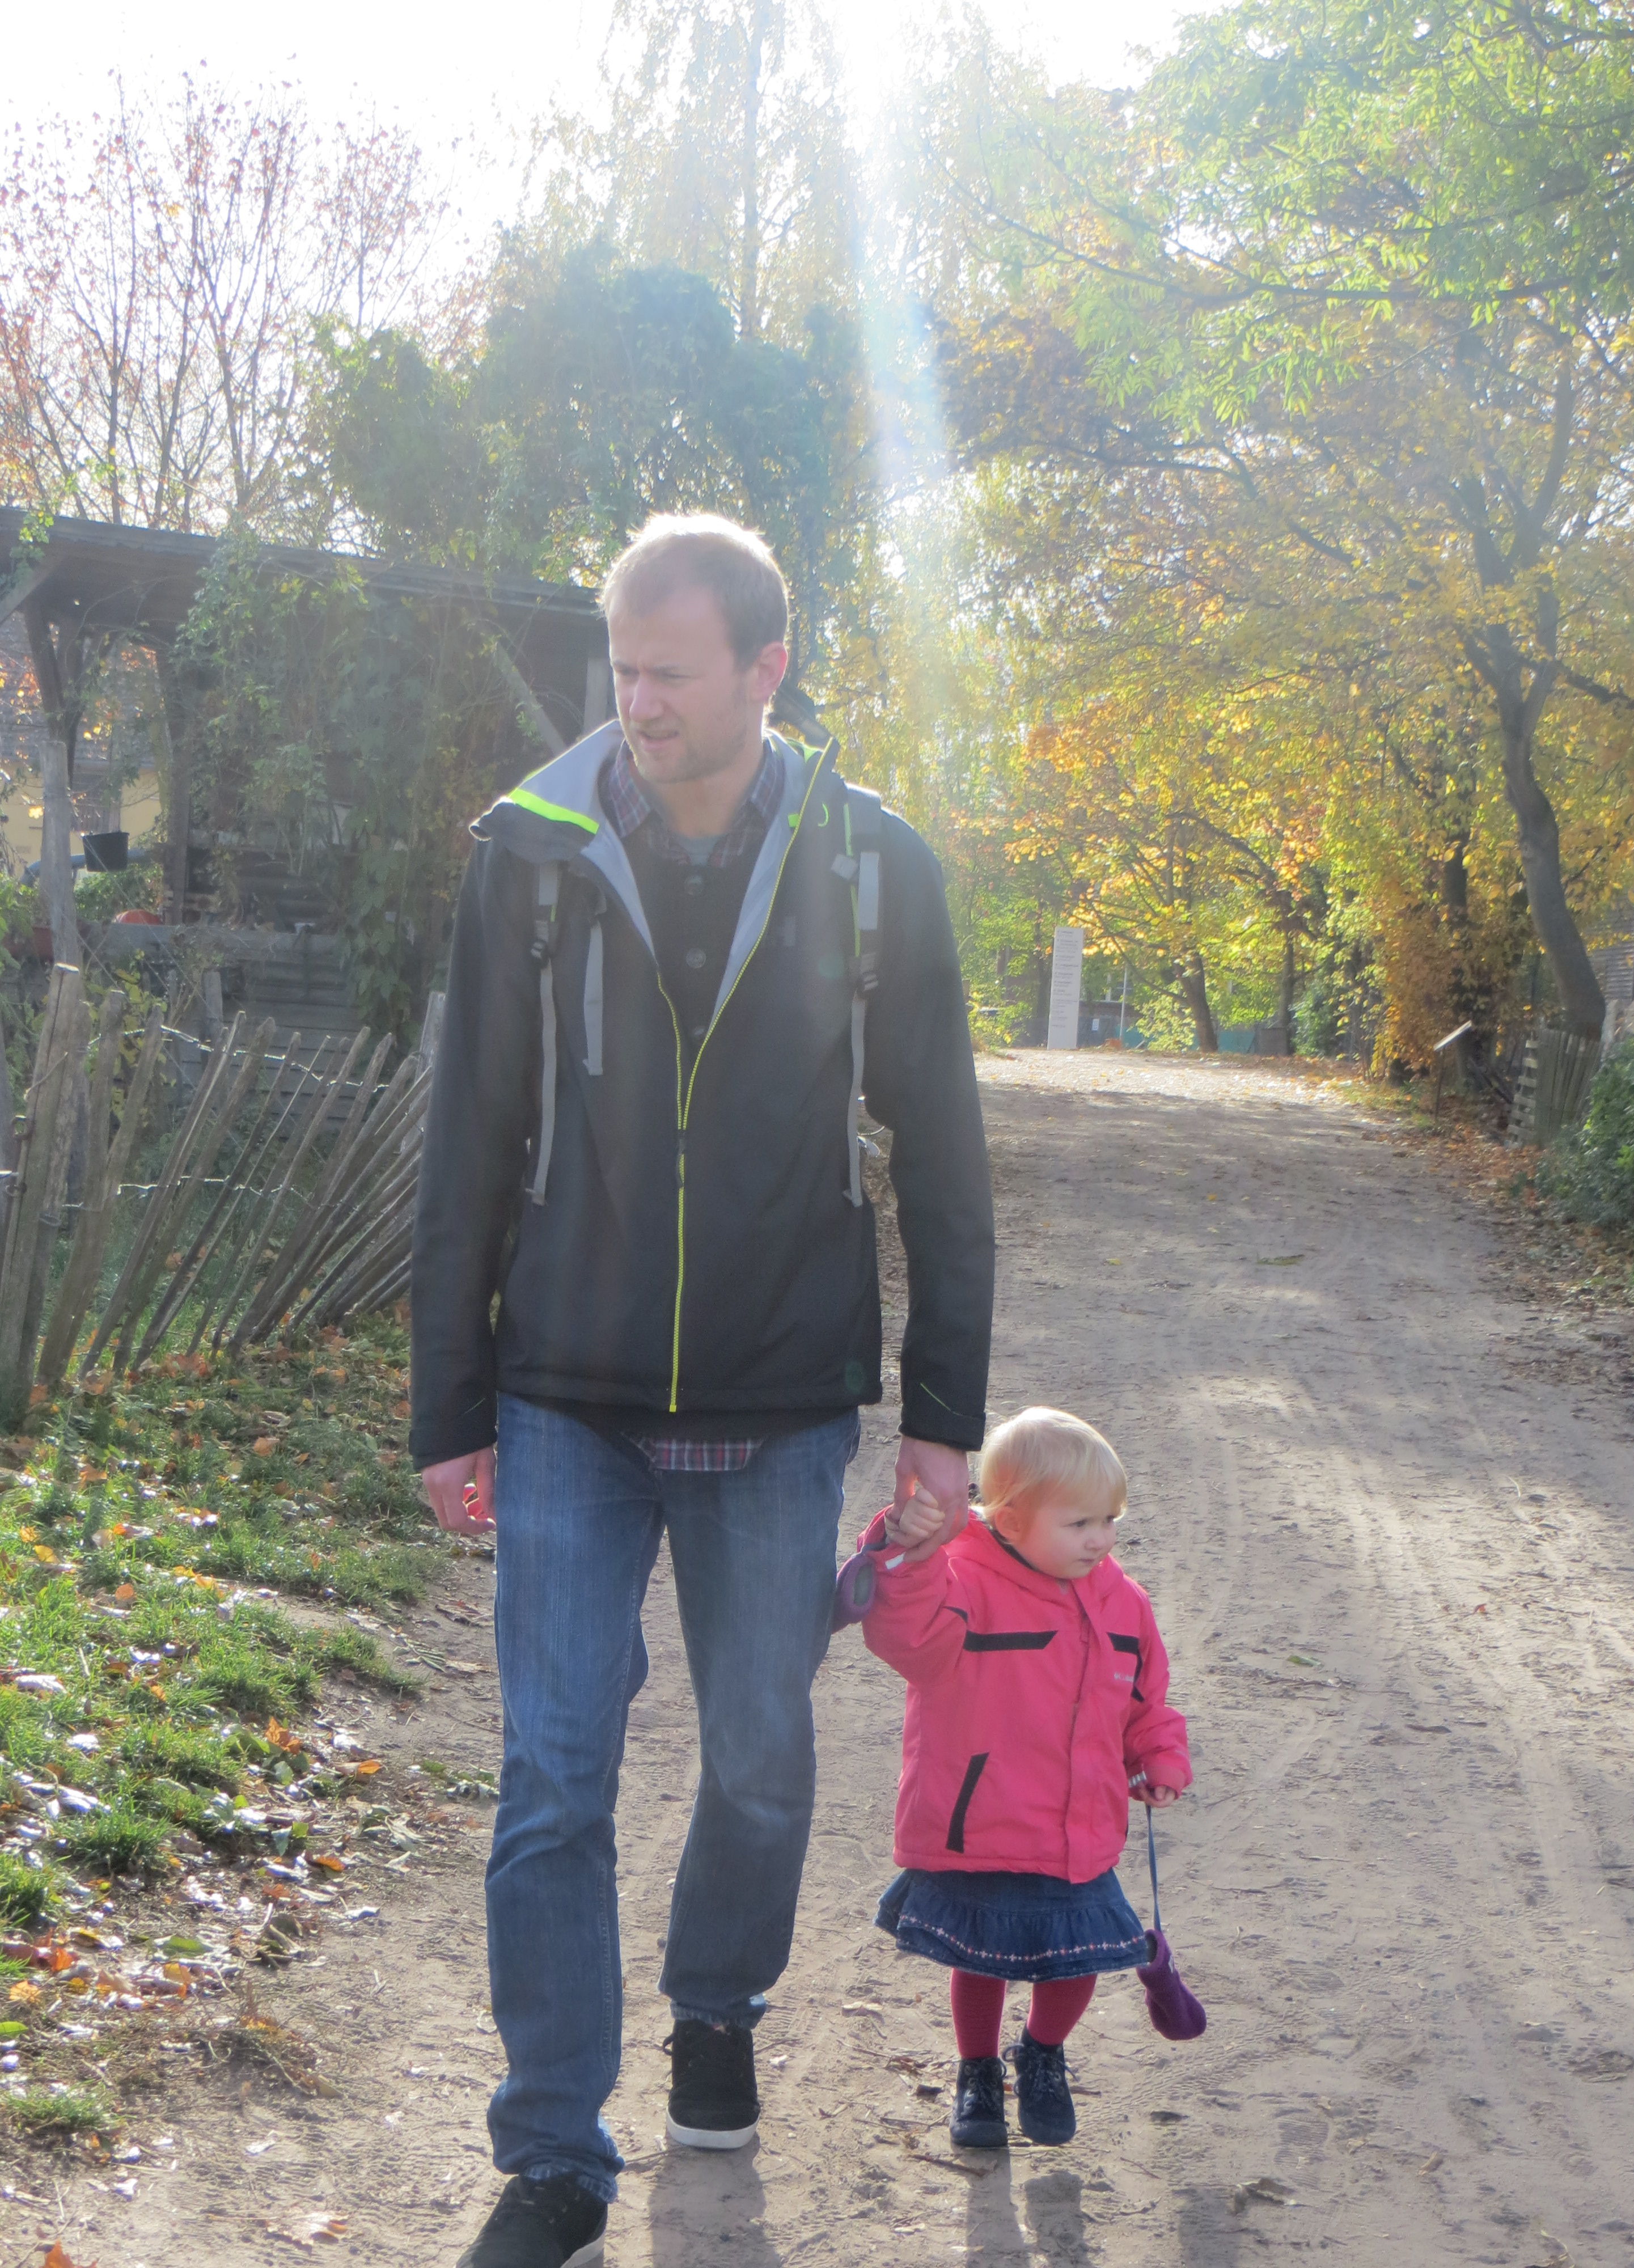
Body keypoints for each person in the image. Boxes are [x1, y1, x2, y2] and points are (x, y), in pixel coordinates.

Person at [409, 514, 995, 2268]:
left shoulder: (872, 869)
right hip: (565, 1400)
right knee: (553, 1775)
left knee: (759, 1756)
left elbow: (945, 1157)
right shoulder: (529, 856)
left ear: (766, 670)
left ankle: (717, 2001)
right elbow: (471, 1139)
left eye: (669, 672)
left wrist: (944, 1419)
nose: (637, 701)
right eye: (623, 668)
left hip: (779, 1404)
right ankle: (552, 2154)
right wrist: (451, 1401)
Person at [857, 1406, 1191, 2151]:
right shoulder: (962, 1581)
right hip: (983, 1824)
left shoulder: (1123, 1601)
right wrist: (908, 1551)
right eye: (1079, 1524)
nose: (1101, 1539)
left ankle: (1042, 2053)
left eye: (1110, 1520)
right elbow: (907, 1635)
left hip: (1080, 1830)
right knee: (982, 1959)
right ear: (1008, 1522)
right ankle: (977, 2069)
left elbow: (1145, 1698)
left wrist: (1157, 1756)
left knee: (1076, 1959)